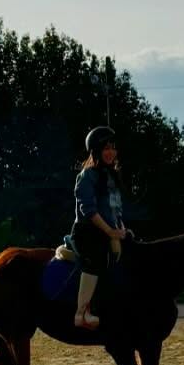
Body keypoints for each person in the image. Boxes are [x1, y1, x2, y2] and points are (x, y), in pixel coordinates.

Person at [67, 126, 128, 330]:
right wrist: (110, 232)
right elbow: (89, 210)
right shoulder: (87, 176)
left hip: (110, 231)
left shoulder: (113, 176)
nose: (110, 152)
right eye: (105, 148)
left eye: (113, 148)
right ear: (96, 151)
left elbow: (116, 209)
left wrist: (121, 229)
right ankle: (82, 312)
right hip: (88, 232)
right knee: (96, 259)